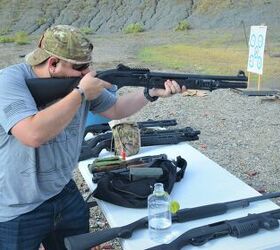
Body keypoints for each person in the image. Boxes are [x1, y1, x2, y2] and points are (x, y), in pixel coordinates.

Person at [0, 25, 184, 250]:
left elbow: (115, 108)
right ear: (53, 63)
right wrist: (80, 93)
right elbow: (32, 134)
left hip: (62, 191)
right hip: (16, 207)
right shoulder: (10, 81)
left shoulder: (80, 82)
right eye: (80, 67)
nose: (88, 73)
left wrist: (151, 93)